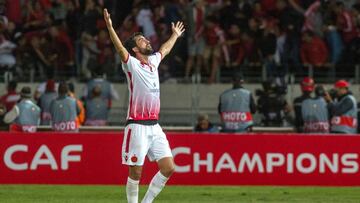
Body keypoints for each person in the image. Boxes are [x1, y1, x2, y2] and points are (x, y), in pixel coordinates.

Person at [104, 8, 185, 203]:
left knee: (169, 168)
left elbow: (164, 49)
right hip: (137, 125)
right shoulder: (131, 64)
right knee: (136, 172)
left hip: (154, 126)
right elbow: (119, 48)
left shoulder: (153, 62)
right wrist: (110, 27)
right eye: (142, 40)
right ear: (135, 49)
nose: (147, 41)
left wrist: (174, 35)